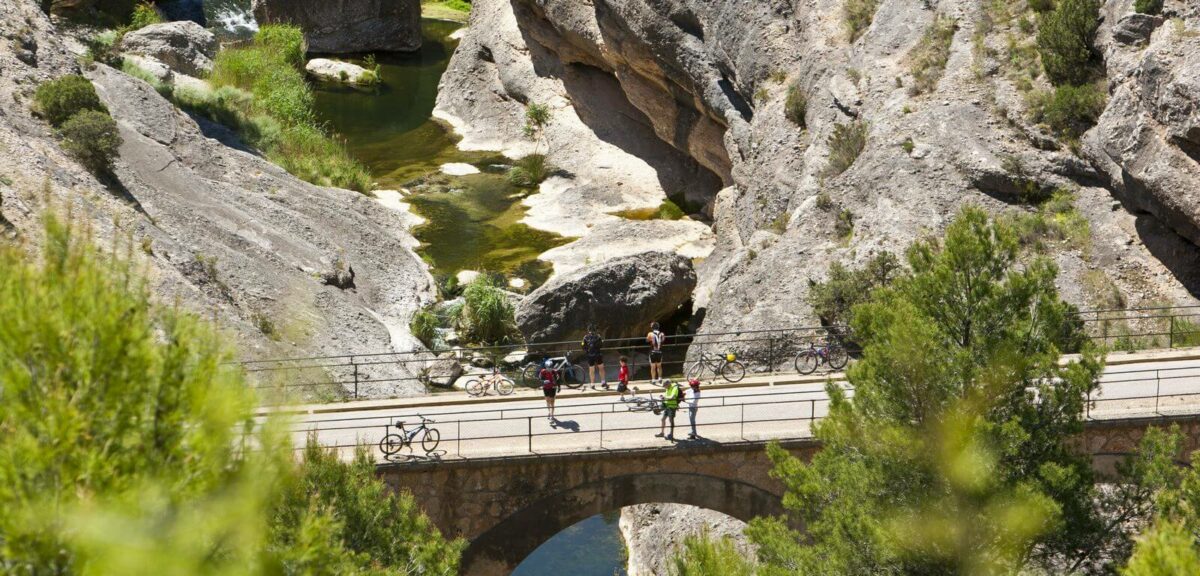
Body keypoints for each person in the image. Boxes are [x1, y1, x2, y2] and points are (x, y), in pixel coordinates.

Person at [582, 325, 606, 389]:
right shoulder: (598, 336)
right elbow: (601, 345)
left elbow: (583, 346)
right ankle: (603, 382)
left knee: (591, 370)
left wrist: (587, 351)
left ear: (588, 330)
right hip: (598, 354)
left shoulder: (585, 337)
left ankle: (592, 384)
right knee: (601, 368)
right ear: (595, 330)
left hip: (590, 356)